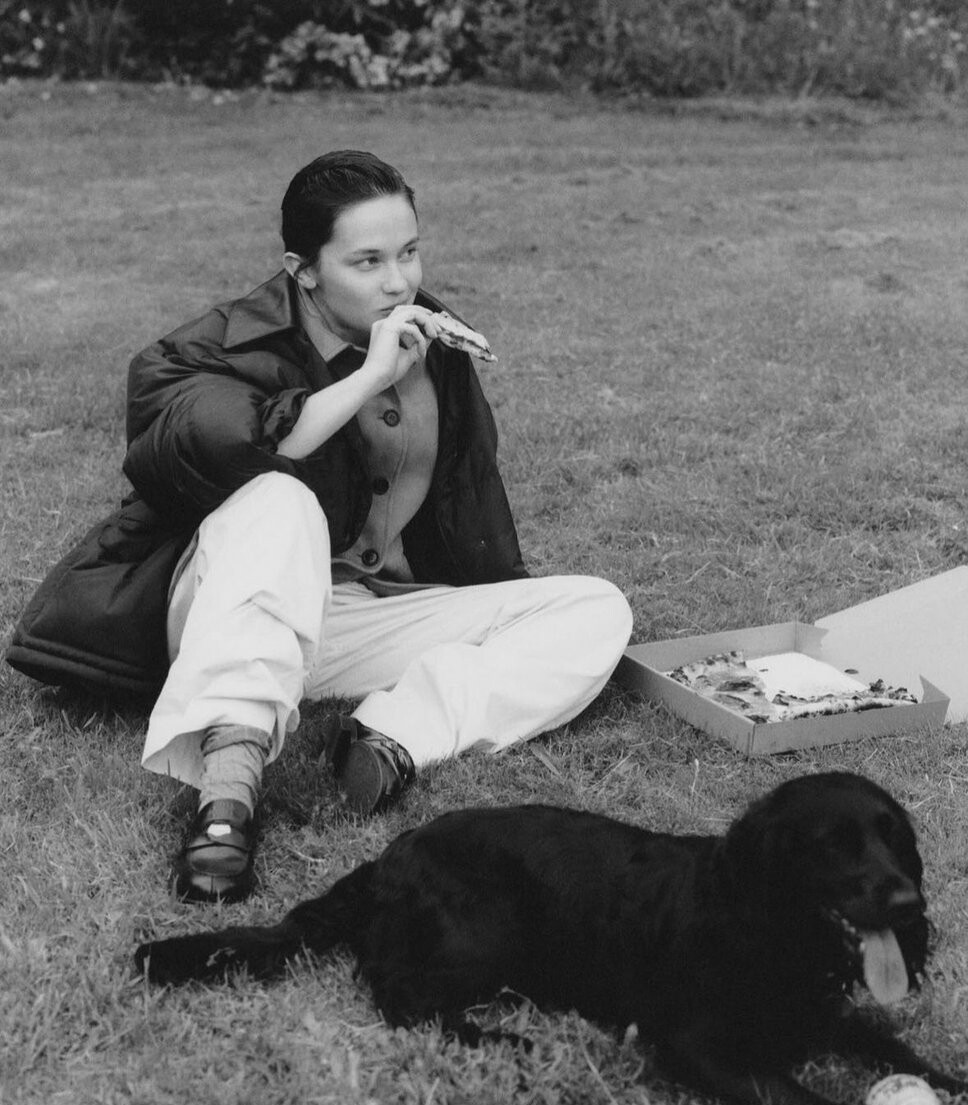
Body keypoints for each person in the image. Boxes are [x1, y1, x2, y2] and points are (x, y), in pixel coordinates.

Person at [10, 150, 633, 904]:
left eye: (409, 252)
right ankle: (227, 797)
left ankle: (389, 739)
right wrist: (368, 377)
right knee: (280, 498)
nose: (399, 282)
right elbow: (238, 445)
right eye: (367, 261)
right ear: (302, 270)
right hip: (222, 607)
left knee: (596, 608)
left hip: (345, 621)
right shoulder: (213, 347)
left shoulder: (434, 344)